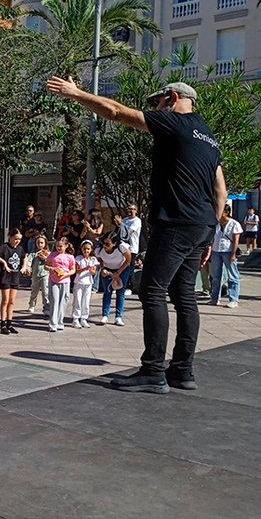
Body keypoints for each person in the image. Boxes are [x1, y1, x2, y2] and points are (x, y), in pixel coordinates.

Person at [48, 77, 226, 393]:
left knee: (153, 291)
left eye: (157, 103)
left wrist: (76, 94)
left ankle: (153, 371)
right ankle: (183, 371)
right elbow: (220, 190)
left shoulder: (174, 122)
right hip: (202, 225)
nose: (155, 110)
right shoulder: (210, 139)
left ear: (171, 98)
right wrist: (209, 230)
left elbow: (116, 112)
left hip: (176, 223)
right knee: (184, 294)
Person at [0, 228, 27, 335]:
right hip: (6, 277)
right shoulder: (5, 247)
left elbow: (24, 257)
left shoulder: (20, 248)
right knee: (5, 300)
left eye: (19, 239)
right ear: (10, 237)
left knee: (12, 301)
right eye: (15, 239)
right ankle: (2, 323)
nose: (17, 241)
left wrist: (24, 266)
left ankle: (10, 323)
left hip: (15, 277)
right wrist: (3, 262)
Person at [209, 205, 242, 308]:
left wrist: (233, 253)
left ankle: (233, 299)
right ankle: (215, 298)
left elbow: (236, 240)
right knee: (215, 276)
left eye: (220, 210)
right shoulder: (216, 223)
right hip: (216, 250)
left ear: (227, 212)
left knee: (232, 276)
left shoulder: (234, 224)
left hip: (228, 251)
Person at [96, 232, 132, 326]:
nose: (105, 246)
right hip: (107, 268)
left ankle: (118, 317)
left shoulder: (122, 247)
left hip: (122, 268)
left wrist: (118, 272)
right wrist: (103, 268)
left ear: (114, 243)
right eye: (103, 243)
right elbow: (99, 259)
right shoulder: (99, 250)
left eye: (108, 244)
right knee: (107, 291)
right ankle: (105, 315)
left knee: (120, 292)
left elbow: (128, 259)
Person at [45, 237, 76, 332]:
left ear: (66, 246)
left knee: (63, 301)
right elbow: (45, 266)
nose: (58, 248)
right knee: (54, 301)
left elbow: (73, 269)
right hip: (53, 280)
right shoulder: (52, 255)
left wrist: (66, 274)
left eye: (61, 246)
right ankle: (53, 323)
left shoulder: (70, 257)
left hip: (65, 281)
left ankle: (60, 321)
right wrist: (52, 269)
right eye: (57, 246)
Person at [114, 204, 142, 295]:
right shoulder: (125, 220)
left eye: (132, 209)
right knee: (120, 266)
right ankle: (118, 285)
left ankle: (129, 287)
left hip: (132, 248)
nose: (130, 210)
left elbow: (129, 232)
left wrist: (120, 224)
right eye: (128, 208)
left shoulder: (137, 221)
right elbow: (119, 232)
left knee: (129, 268)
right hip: (122, 247)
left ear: (136, 211)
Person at [72, 240, 99, 329]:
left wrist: (92, 271)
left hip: (88, 282)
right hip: (79, 282)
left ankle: (84, 318)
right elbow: (77, 271)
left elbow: (94, 271)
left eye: (88, 249)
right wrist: (84, 269)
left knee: (86, 301)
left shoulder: (93, 259)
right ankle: (76, 319)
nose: (86, 251)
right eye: (84, 249)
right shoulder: (78, 258)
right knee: (78, 301)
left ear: (91, 250)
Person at [26, 235, 50, 316]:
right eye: (38, 243)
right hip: (36, 274)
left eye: (42, 243)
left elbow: (51, 262)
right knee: (34, 291)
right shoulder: (33, 253)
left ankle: (46, 307)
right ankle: (32, 305)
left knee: (45, 292)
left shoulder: (48, 253)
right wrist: (28, 268)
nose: (40, 244)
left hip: (45, 274)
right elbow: (29, 262)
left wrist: (45, 259)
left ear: (45, 243)